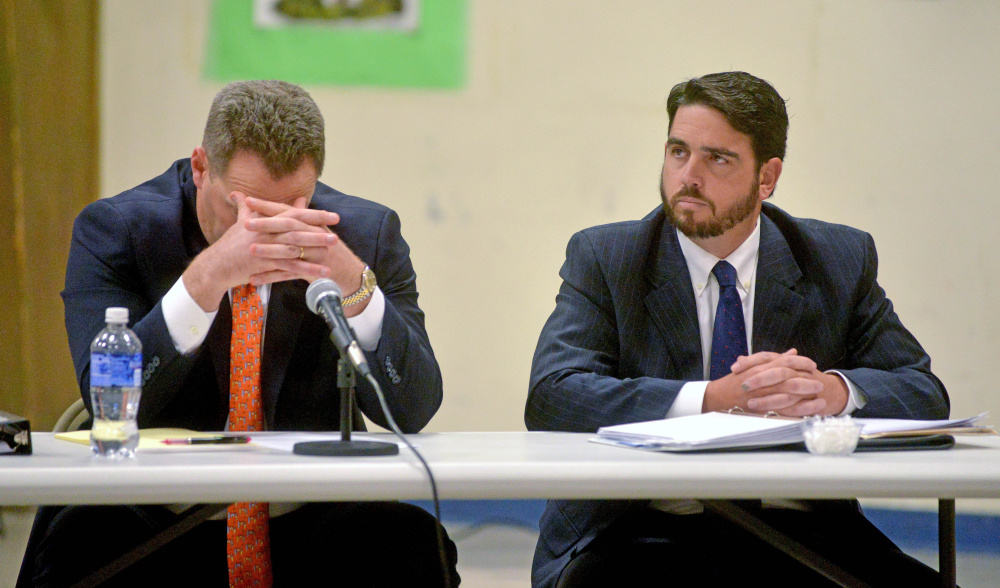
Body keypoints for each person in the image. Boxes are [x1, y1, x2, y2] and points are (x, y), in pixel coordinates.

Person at [21, 80, 458, 587]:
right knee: (79, 544)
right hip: (157, 510)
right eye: (244, 210)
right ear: (201, 167)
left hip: (309, 510)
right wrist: (204, 282)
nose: (268, 231)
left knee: (414, 545)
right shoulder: (118, 230)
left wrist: (354, 286)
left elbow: (415, 407)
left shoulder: (363, 233)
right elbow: (105, 402)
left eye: (292, 208)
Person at [525, 71, 949, 587]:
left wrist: (829, 391)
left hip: (800, 531)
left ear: (766, 178)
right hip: (643, 530)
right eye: (678, 151)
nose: (689, 175)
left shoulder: (836, 259)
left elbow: (924, 392)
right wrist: (714, 398)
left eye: (717, 159)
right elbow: (554, 396)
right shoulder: (608, 257)